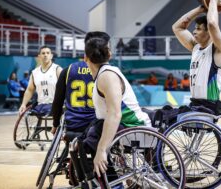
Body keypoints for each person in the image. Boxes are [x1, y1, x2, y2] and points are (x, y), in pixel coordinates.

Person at [75, 31, 151, 181]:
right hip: (125, 126)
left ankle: (112, 183)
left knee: (93, 140)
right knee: (89, 135)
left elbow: (115, 114)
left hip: (134, 128)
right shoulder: (104, 74)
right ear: (109, 55)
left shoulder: (107, 77)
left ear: (85, 57)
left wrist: (102, 150)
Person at [172, 0, 221, 112]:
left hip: (209, 106)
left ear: (209, 32)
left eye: (198, 29)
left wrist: (213, 0)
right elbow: (177, 28)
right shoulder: (196, 48)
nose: (194, 31)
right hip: (195, 104)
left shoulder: (219, 48)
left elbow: (212, 24)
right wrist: (200, 9)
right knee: (162, 115)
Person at [50, 61, 96, 134]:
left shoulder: (68, 69)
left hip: (73, 123)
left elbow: (58, 101)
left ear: (85, 55)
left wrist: (55, 124)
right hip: (95, 124)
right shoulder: (103, 71)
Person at [19, 46, 62, 115]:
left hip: (55, 104)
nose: (45, 55)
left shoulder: (57, 69)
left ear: (51, 56)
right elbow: (30, 90)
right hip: (41, 105)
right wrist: (23, 104)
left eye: (48, 53)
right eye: (43, 53)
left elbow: (66, 87)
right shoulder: (34, 72)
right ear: (39, 57)